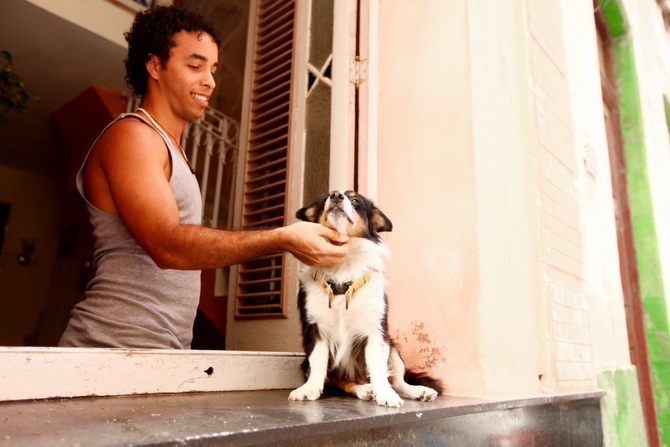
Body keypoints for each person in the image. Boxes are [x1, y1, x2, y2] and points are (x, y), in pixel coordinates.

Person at [59, 6, 349, 349]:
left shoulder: (171, 150)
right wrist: (284, 238)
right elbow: (167, 246)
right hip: (111, 346)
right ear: (154, 65)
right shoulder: (133, 135)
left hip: (156, 351)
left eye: (212, 68)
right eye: (195, 66)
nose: (210, 80)